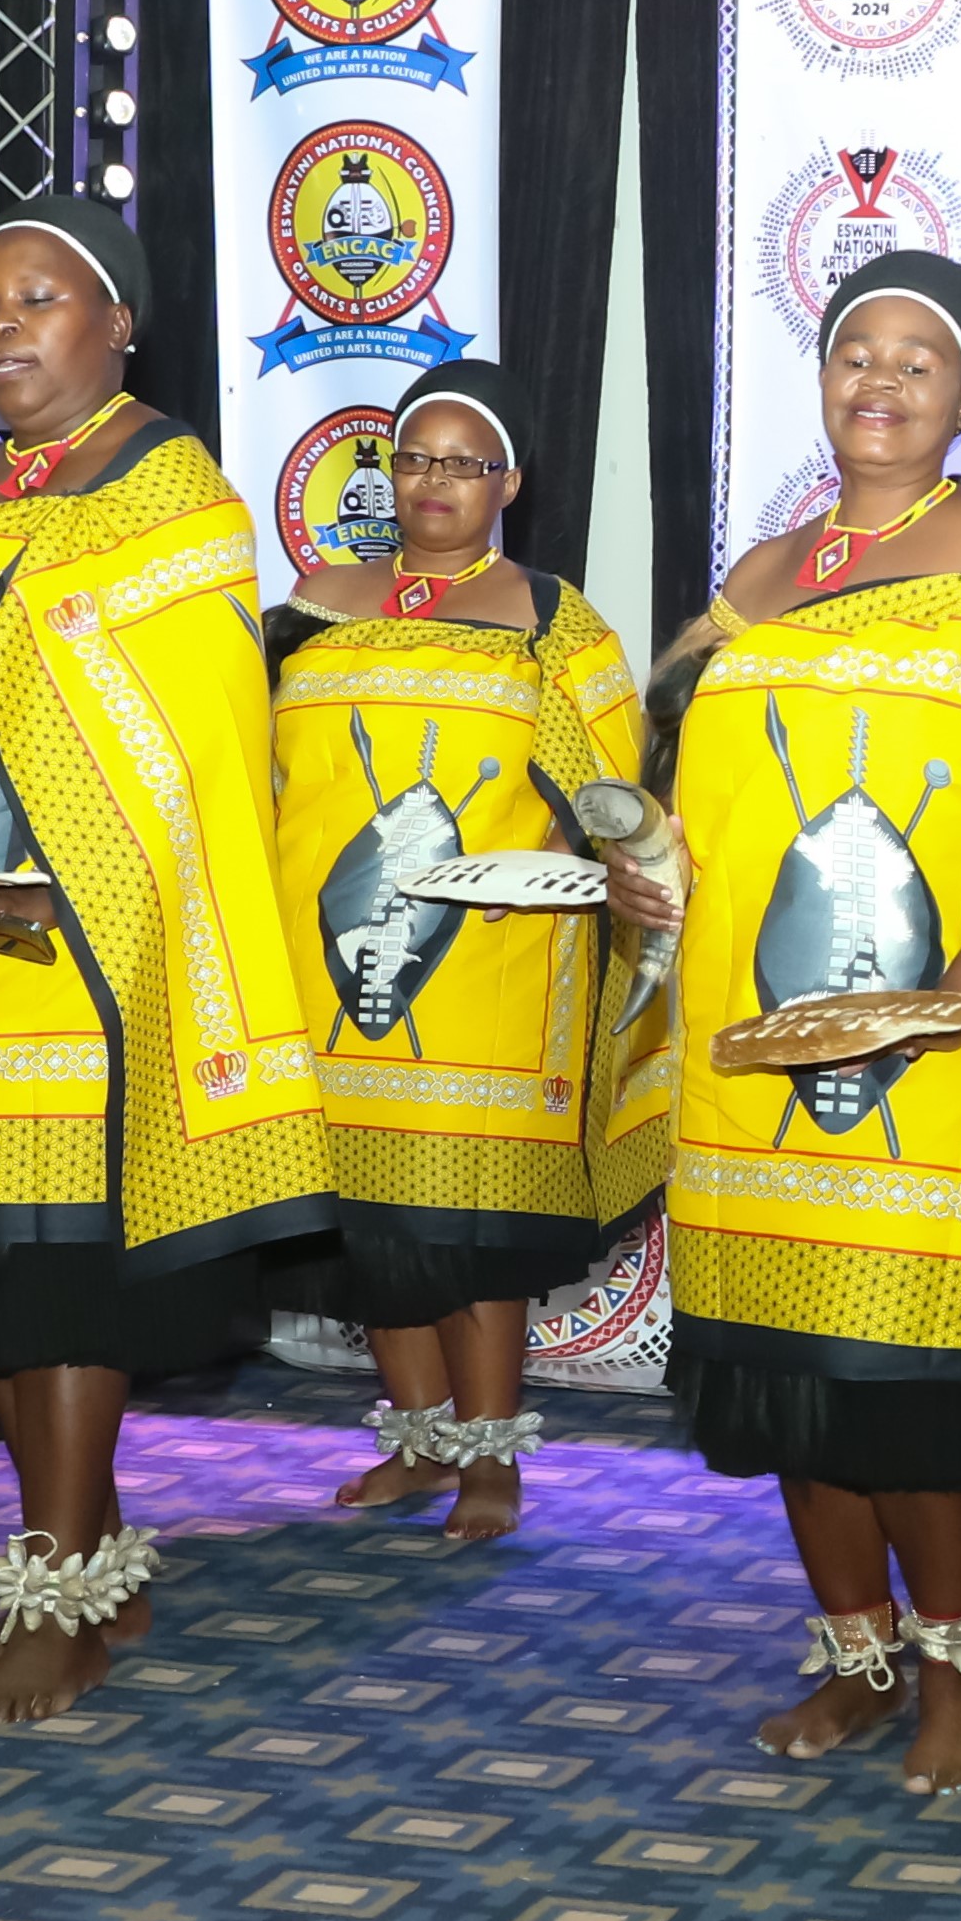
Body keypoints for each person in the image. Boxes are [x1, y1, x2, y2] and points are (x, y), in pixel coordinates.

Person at [634, 253, 961, 1796]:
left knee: (905, 1377)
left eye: (917, 359)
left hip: (946, 1042)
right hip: (755, 1035)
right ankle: (856, 1654)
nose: (879, 377)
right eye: (854, 349)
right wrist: (643, 867)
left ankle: (954, 1661)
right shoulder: (754, 577)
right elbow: (679, 783)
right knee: (784, 1370)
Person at [0, 198, 333, 1724]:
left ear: (119, 323)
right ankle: (90, 1556)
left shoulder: (174, 492)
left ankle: (54, 1586)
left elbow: (199, 738)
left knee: (66, 1273)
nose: (3, 325)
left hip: (89, 948)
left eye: (40, 296)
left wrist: (64, 889)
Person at [274, 356, 666, 1546]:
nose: (433, 480)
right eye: (414, 457)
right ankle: (417, 1440)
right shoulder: (316, 601)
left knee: (468, 1229)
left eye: (464, 462)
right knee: (370, 1224)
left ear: (510, 483)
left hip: (494, 966)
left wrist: (583, 861)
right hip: (325, 956)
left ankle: (490, 1459)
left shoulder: (551, 621)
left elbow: (610, 797)